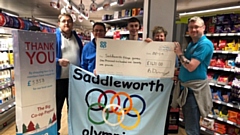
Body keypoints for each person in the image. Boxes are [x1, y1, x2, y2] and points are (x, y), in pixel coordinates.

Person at [171, 16, 213, 135]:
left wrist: (179, 54)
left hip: (194, 91)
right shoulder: (192, 44)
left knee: (191, 127)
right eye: (191, 27)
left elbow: (191, 66)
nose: (193, 30)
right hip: (187, 89)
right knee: (190, 123)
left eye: (196, 27)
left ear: (203, 28)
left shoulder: (204, 44)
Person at [55, 13, 83, 134]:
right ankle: (56, 131)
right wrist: (58, 61)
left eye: (69, 21)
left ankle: (73, 130)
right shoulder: (54, 37)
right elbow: (47, 56)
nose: (66, 23)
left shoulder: (77, 38)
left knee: (74, 108)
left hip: (74, 80)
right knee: (58, 107)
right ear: (59, 24)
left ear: (72, 24)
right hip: (59, 80)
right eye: (64, 21)